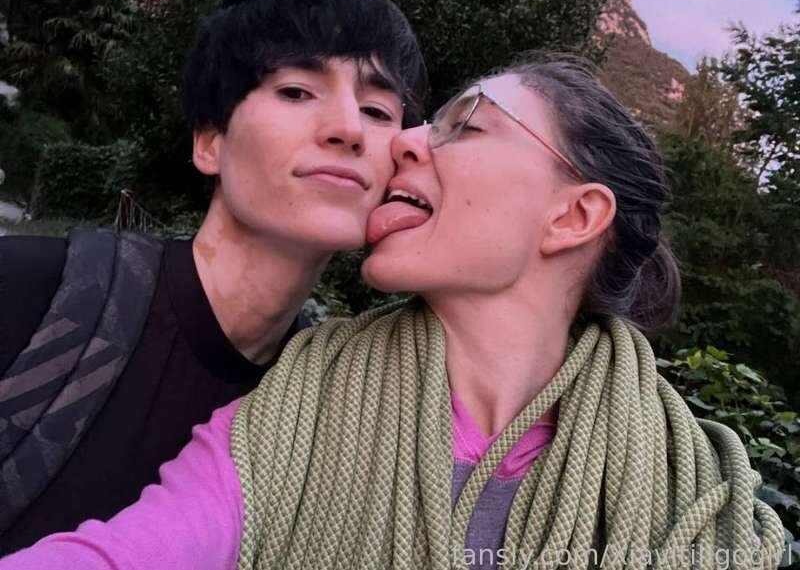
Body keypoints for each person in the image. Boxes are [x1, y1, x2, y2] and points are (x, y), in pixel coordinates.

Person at [0, 56, 783, 570]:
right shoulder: (297, 407)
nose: (400, 139)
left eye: (464, 125)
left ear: (573, 216)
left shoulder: (691, 493)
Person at [0, 0, 427, 554]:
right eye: (296, 91)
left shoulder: (321, 407)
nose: (349, 129)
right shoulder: (30, 294)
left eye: (378, 112)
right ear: (210, 143)